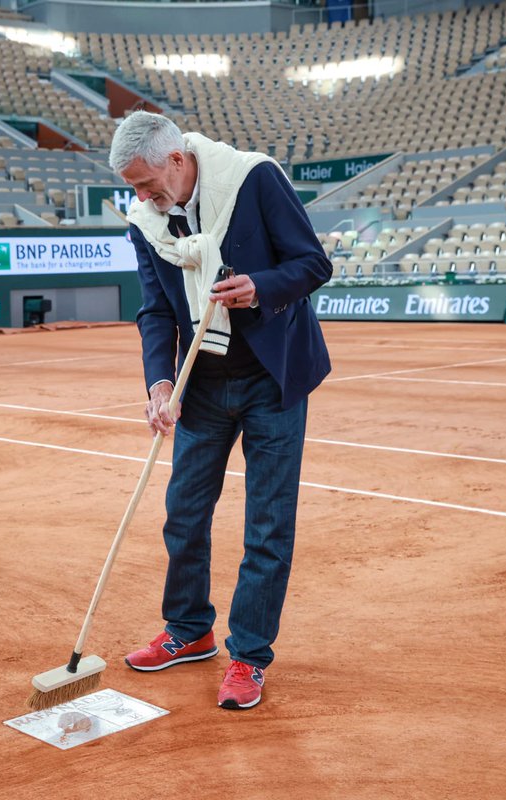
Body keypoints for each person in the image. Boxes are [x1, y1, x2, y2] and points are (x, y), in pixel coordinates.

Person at [108, 110, 333, 710]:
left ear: (178, 161)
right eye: (134, 188)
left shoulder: (255, 178)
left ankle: (249, 657)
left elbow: (313, 264)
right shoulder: (145, 221)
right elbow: (156, 309)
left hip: (273, 377)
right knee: (183, 512)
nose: (143, 197)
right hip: (200, 383)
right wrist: (159, 383)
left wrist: (261, 285)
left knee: (266, 525)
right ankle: (189, 630)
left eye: (148, 184)